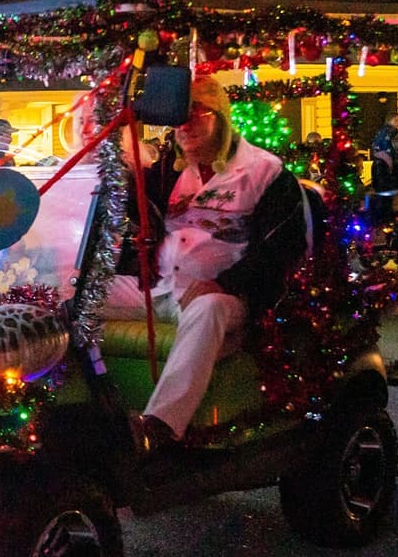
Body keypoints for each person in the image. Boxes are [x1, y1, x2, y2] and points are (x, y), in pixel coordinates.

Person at [105, 75, 304, 451]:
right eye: (179, 118)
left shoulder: (265, 172)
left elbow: (281, 250)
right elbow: (127, 200)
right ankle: (77, 404)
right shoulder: (173, 172)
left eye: (197, 114)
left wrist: (225, 283)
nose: (184, 126)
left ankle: (160, 426)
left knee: (207, 308)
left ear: (222, 119)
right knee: (76, 291)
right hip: (163, 286)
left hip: (229, 296)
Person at [370, 112, 398, 192]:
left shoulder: (384, 131)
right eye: (396, 120)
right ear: (389, 120)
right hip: (385, 153)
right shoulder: (390, 131)